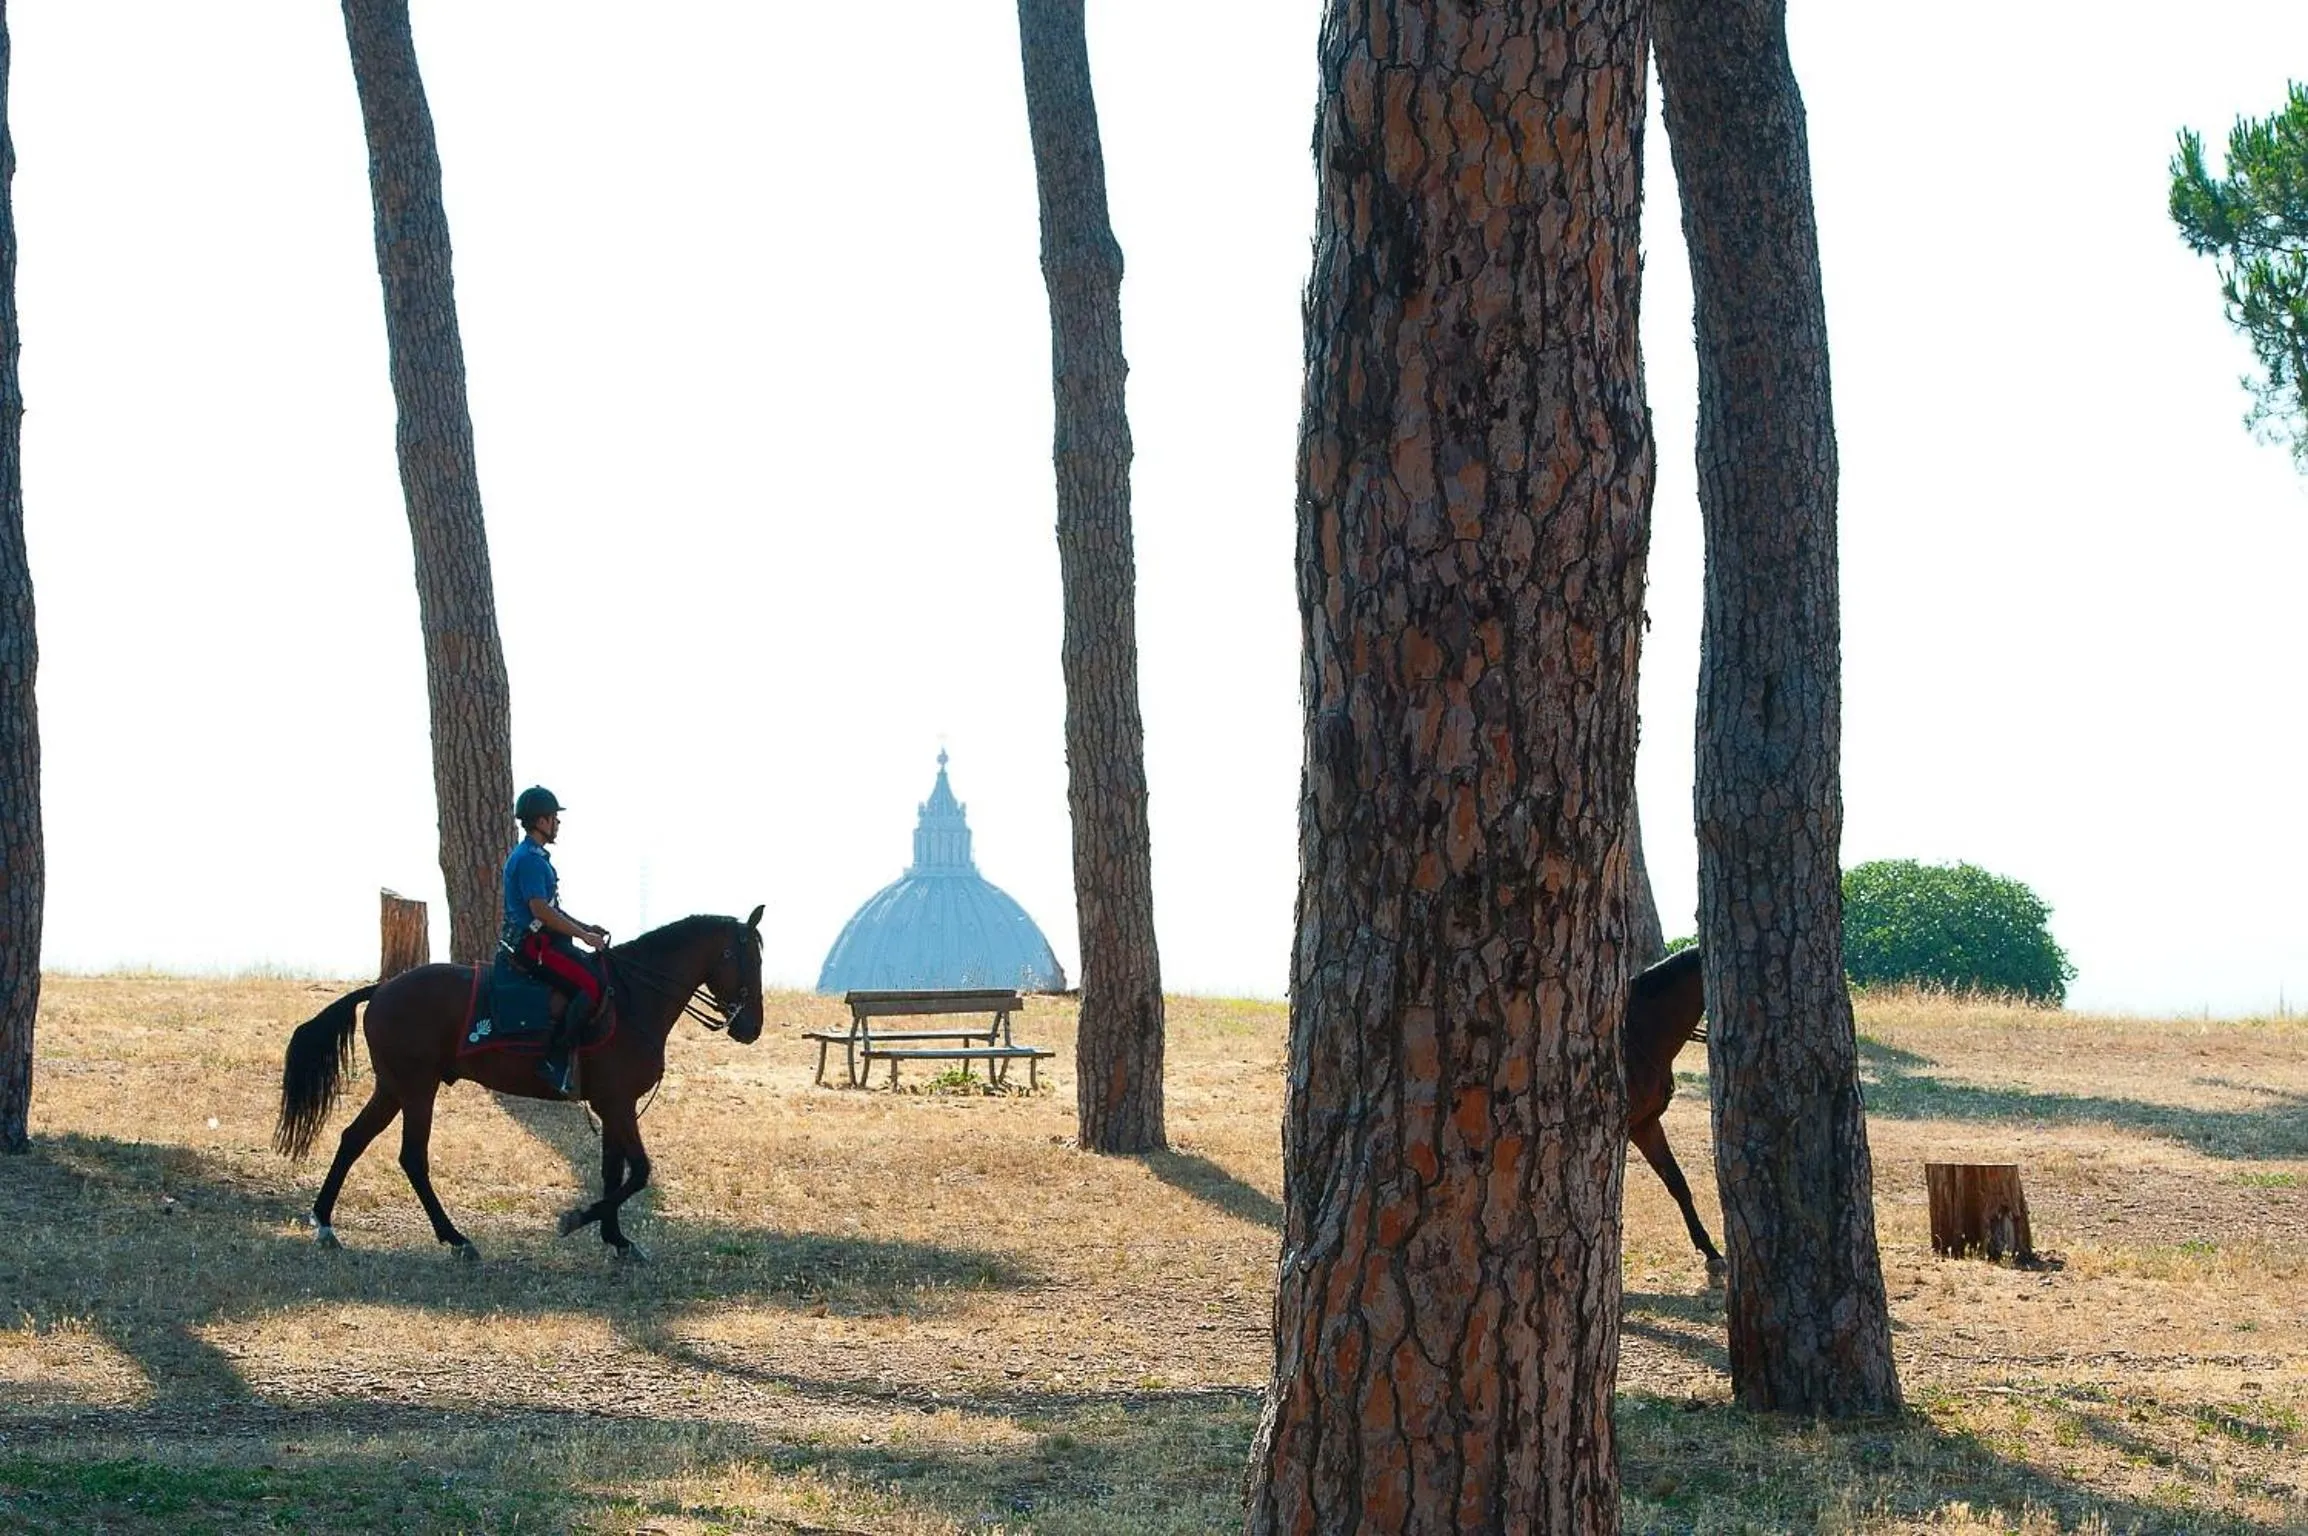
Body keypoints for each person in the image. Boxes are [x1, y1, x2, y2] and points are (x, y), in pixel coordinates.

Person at [502, 786, 611, 1095]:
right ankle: (555, 1060)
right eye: (554, 818)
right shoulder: (531, 860)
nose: (558, 823)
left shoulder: (534, 856)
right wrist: (584, 936)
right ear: (541, 821)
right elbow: (540, 910)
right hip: (533, 945)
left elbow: (552, 909)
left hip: (544, 939)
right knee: (591, 986)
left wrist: (584, 926)